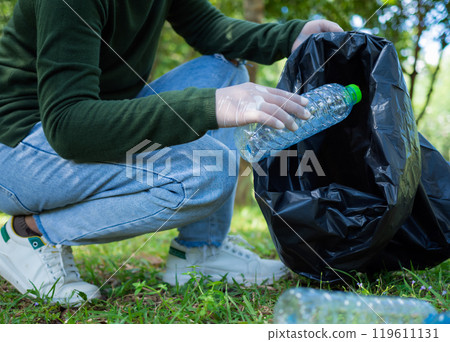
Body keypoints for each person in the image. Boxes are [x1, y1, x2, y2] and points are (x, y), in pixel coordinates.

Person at [0, 0, 343, 305]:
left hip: (89, 122)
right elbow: (69, 125)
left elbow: (212, 29)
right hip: (18, 146)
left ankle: (198, 251)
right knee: (209, 170)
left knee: (226, 70)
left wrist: (292, 35)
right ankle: (28, 233)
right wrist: (208, 107)